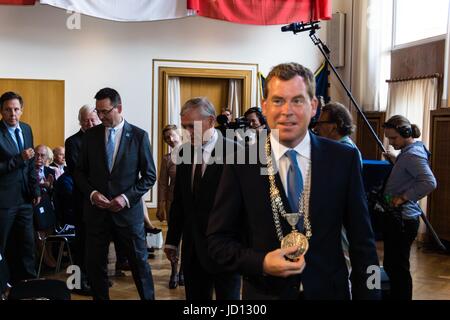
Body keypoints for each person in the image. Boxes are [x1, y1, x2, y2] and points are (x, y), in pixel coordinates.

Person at [207, 62, 381, 300]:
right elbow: (218, 243)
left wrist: (371, 295)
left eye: (297, 100)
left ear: (313, 106)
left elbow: (364, 244)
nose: (286, 110)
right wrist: (261, 262)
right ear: (265, 107)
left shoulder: (343, 159)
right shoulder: (241, 163)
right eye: (278, 100)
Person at [74, 87, 156, 300]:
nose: (100, 117)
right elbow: (79, 173)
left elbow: (149, 176)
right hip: (96, 213)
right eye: (98, 112)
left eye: (105, 111)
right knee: (96, 266)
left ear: (119, 108)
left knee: (140, 265)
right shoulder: (90, 136)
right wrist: (92, 193)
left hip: (128, 215)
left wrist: (125, 198)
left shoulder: (139, 136)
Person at [164, 97, 241, 300]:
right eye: (184, 126)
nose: (187, 132)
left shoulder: (237, 152)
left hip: (227, 250)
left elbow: (246, 206)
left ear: (211, 121)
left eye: (192, 126)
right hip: (193, 250)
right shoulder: (183, 153)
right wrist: (172, 241)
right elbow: (180, 202)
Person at [382, 115, 437, 300]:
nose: (391, 142)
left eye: (393, 138)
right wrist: (395, 161)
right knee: (393, 265)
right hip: (400, 219)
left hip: (403, 220)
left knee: (398, 268)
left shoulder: (412, 154)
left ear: (405, 133)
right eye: (389, 139)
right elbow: (409, 174)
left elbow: (429, 182)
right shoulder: (409, 151)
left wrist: (402, 198)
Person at [0, 91, 40, 289]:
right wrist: (18, 159)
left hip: (25, 198)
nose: (12, 113)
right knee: (2, 246)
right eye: (8, 110)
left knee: (27, 244)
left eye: (16, 109)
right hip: (4, 200)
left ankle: (28, 285)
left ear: (22, 110)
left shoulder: (26, 129)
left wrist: (36, 190)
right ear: (1, 111)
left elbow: (31, 164)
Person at [65, 104, 101, 295]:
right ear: (80, 121)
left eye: (93, 119)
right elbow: (77, 172)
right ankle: (79, 282)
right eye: (86, 120)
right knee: (81, 245)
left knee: (96, 244)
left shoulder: (102, 138)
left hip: (100, 203)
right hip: (82, 200)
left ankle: (95, 279)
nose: (90, 123)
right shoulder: (72, 142)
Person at [156, 124, 184, 289]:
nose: (170, 139)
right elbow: (162, 185)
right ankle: (174, 271)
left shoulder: (192, 152)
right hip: (173, 203)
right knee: (174, 240)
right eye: (167, 138)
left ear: (179, 134)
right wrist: (160, 206)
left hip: (191, 204)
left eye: (172, 135)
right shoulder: (166, 158)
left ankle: (183, 272)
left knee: (189, 239)